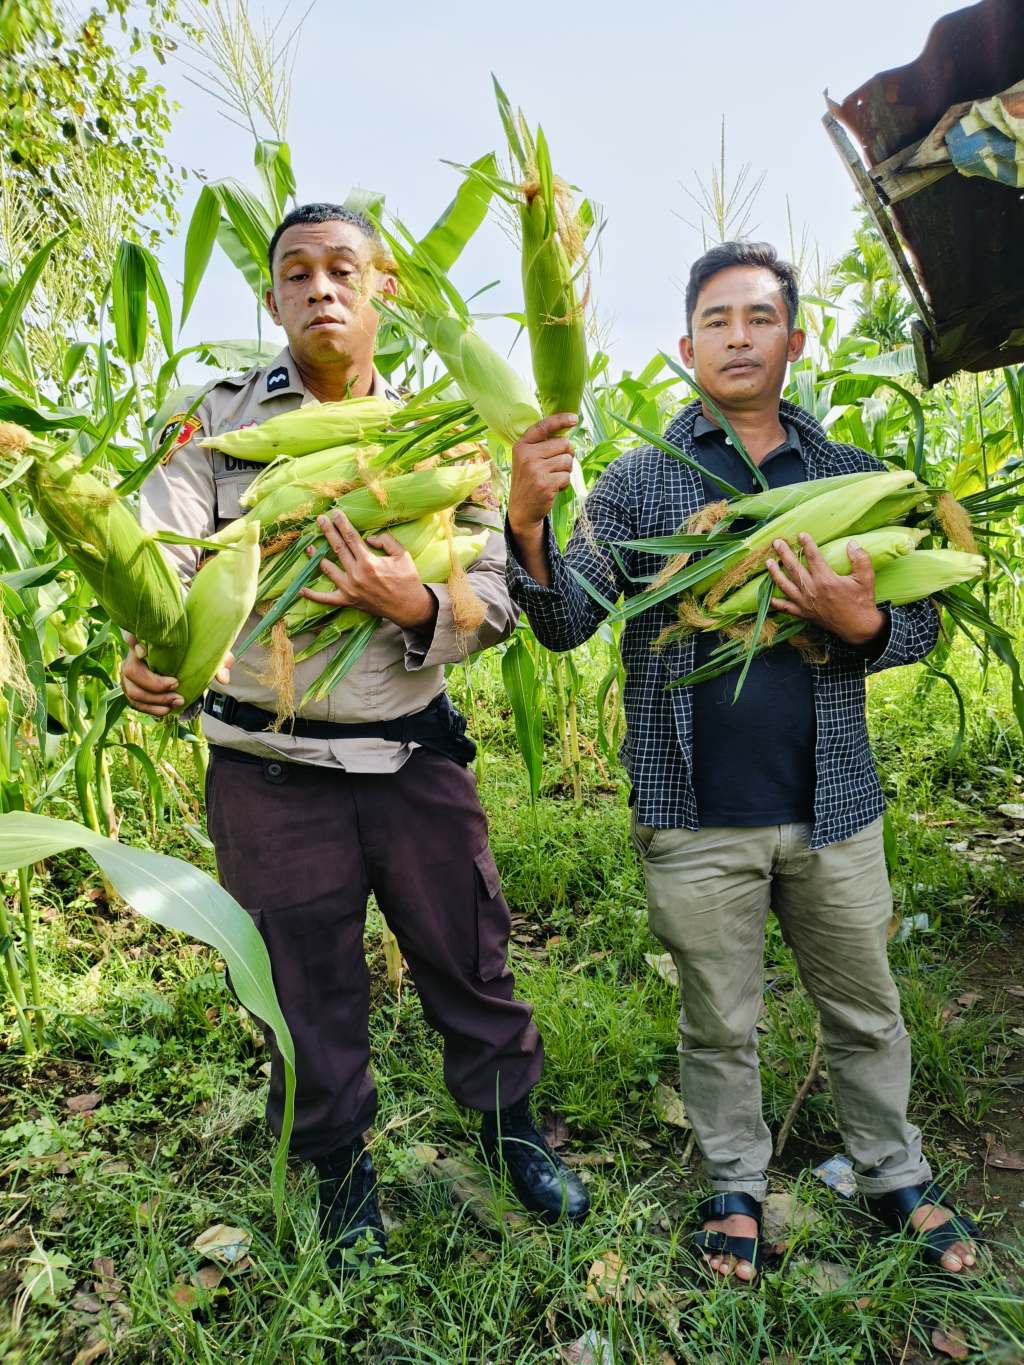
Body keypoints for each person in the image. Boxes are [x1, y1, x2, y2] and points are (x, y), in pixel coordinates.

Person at [121, 202, 588, 1265]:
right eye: (297, 272)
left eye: (344, 269)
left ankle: (514, 1134)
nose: (321, 288)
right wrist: (147, 643)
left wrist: (412, 603)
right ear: (275, 296)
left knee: (468, 960)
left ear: (380, 290)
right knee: (303, 984)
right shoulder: (216, 423)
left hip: (411, 755)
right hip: (269, 766)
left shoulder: (449, 430)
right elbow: (161, 562)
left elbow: (496, 599)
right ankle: (338, 1172)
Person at [504, 241, 979, 1282]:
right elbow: (564, 619)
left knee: (864, 1006)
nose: (736, 336)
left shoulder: (854, 477)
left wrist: (863, 625)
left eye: (757, 318)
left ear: (793, 341)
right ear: (683, 347)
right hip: (693, 810)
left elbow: (922, 625)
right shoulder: (639, 483)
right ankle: (732, 1181)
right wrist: (528, 527)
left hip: (833, 805)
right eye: (716, 320)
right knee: (719, 1022)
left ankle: (891, 1169)